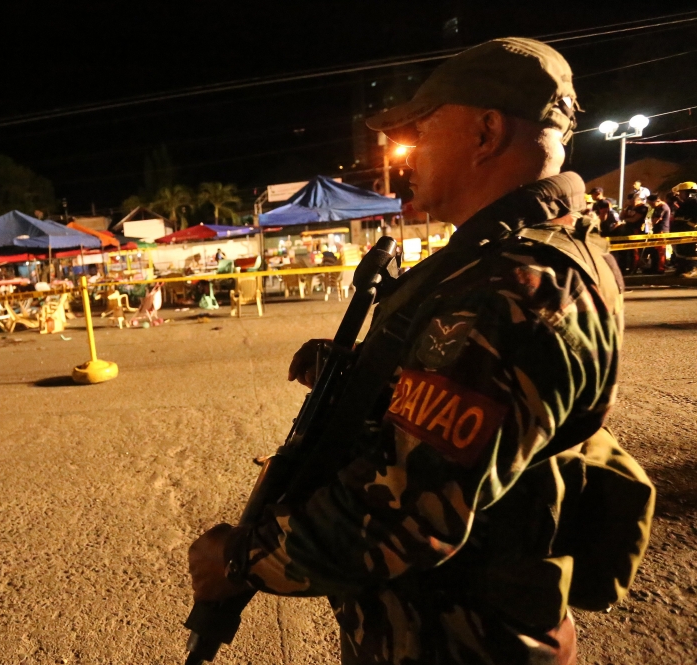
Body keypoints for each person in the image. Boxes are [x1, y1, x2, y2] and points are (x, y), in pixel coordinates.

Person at [188, 38, 652, 665]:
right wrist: (368, 378)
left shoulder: (512, 289)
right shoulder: (534, 257)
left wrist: (241, 561)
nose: (403, 151)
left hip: (458, 643)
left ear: (486, 131)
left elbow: (400, 515)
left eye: (423, 129)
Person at [643, 193, 671, 274]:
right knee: (654, 251)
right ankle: (654, 267)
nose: (650, 205)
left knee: (660, 251)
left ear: (656, 201)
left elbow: (656, 220)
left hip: (661, 231)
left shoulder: (662, 207)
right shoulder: (657, 207)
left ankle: (660, 268)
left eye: (651, 203)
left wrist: (651, 223)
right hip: (657, 231)